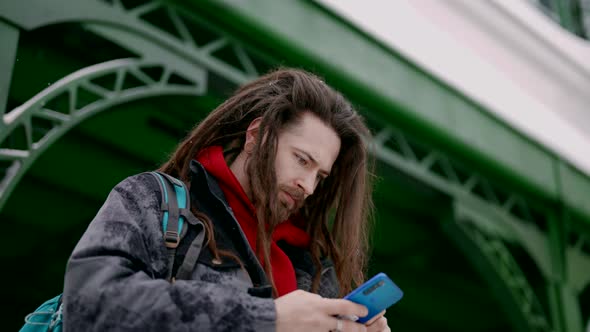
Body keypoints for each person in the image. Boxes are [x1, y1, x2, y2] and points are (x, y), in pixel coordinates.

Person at [62, 67, 390, 331]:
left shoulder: (314, 270)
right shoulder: (154, 200)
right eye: (302, 160)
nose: (309, 187)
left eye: (320, 176)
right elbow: (90, 303)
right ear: (257, 136)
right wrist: (265, 318)